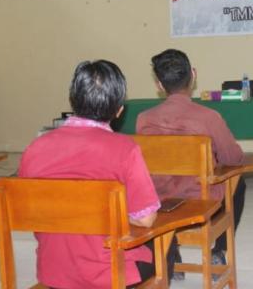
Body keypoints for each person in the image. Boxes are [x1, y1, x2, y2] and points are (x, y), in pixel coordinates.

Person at [19, 60, 170, 289]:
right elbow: (145, 218)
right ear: (119, 109)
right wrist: (114, 212)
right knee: (167, 242)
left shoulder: (35, 148)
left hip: (54, 272)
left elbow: (27, 211)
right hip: (109, 272)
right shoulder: (124, 149)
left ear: (73, 100)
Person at [136, 49, 245, 270]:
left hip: (160, 201)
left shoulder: (143, 119)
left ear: (159, 84)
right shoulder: (209, 117)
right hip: (200, 200)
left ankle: (171, 250)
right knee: (238, 182)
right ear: (193, 75)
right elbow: (233, 158)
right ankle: (218, 250)